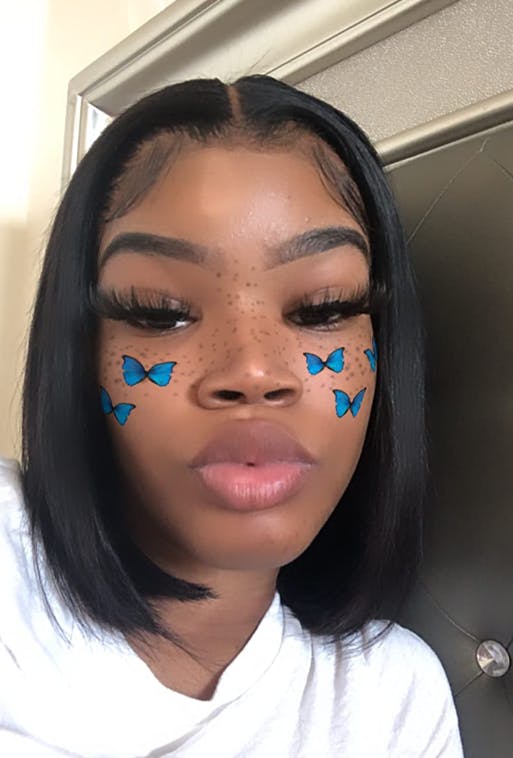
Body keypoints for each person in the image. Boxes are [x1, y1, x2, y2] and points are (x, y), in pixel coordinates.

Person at [0, 75, 464, 757]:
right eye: (159, 311)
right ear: (79, 351)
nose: (252, 371)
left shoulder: (394, 701)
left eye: (324, 308)